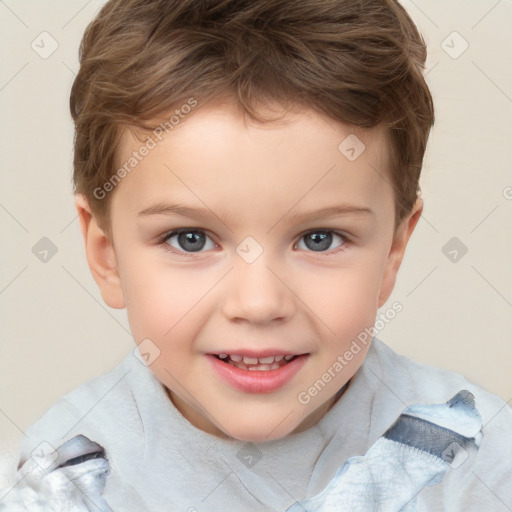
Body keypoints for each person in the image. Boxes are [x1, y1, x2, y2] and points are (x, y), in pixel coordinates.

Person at [6, 0, 512, 510]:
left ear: (393, 251)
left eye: (319, 238)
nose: (258, 302)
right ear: (107, 254)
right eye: (191, 239)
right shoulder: (67, 482)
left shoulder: (476, 460)